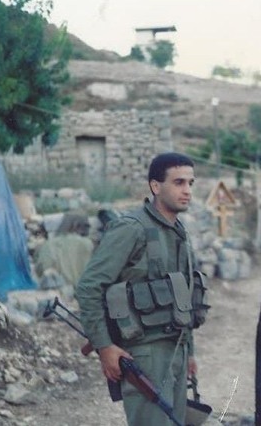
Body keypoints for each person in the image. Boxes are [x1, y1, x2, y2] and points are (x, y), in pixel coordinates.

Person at [76, 152, 208, 426]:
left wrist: (189, 351)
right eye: (179, 182)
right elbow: (90, 286)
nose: (187, 190)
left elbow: (183, 297)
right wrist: (104, 346)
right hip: (145, 352)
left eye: (190, 183)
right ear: (155, 186)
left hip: (176, 349)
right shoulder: (131, 228)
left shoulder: (178, 232)